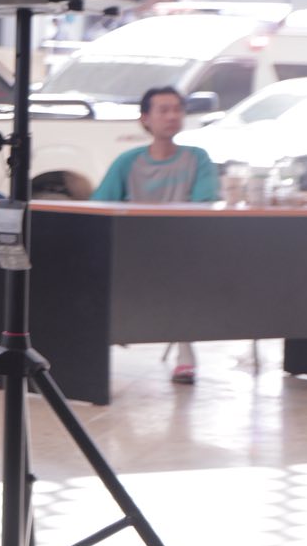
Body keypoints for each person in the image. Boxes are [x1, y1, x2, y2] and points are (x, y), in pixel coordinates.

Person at [91, 84, 220, 384]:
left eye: (177, 109)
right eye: (164, 110)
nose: (172, 116)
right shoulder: (128, 162)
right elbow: (99, 204)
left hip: (185, 248)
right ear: (145, 119)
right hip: (134, 249)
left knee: (183, 271)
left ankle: (185, 355)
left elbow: (204, 204)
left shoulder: (197, 158)